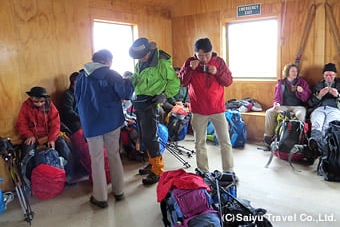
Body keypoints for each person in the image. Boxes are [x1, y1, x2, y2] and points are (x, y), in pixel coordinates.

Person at [74, 49, 134, 208]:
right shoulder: (112, 74)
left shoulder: (81, 76)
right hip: (111, 121)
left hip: (91, 124)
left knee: (97, 159)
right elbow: (126, 94)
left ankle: (100, 198)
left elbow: (77, 98)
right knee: (114, 155)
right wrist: (128, 80)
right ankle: (119, 191)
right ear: (107, 61)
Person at [179, 37, 236, 177]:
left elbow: (228, 81)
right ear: (195, 53)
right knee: (199, 143)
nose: (204, 59)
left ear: (212, 52)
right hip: (198, 110)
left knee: (225, 141)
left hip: (217, 109)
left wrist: (217, 72)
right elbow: (182, 83)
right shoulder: (190, 62)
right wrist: (190, 69)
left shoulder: (219, 62)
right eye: (200, 55)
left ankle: (229, 171)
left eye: (207, 55)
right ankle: (203, 172)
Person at [129, 37, 180, 185]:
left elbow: (175, 82)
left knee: (151, 137)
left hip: (151, 103)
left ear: (149, 51)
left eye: (142, 56)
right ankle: (152, 163)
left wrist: (164, 96)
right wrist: (129, 80)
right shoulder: (141, 62)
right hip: (139, 102)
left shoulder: (162, 64)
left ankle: (157, 170)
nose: (141, 59)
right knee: (144, 136)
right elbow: (138, 80)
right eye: (138, 57)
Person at [16, 86, 75, 183]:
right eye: (36, 101)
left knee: (63, 145)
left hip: (49, 135)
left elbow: (56, 123)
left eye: (41, 101)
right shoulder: (26, 106)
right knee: (27, 151)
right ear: (31, 98)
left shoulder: (50, 105)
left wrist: (52, 138)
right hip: (33, 136)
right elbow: (21, 123)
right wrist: (29, 135)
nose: (39, 103)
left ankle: (70, 175)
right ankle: (30, 180)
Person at [263, 63, 312, 146]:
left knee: (300, 115)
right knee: (269, 112)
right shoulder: (281, 83)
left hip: (298, 107)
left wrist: (302, 91)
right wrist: (276, 104)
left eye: (296, 71)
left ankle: (300, 139)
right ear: (287, 72)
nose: (295, 73)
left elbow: (307, 98)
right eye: (292, 71)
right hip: (284, 106)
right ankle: (269, 137)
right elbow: (277, 98)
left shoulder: (302, 82)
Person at [308, 63, 340, 154]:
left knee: (329, 125)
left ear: (335, 75)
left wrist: (337, 95)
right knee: (317, 123)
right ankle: (315, 142)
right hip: (319, 108)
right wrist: (319, 96)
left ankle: (323, 147)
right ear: (323, 75)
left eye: (331, 75)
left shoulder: (339, 84)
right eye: (326, 75)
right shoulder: (318, 85)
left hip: (334, 109)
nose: (328, 77)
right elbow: (310, 103)